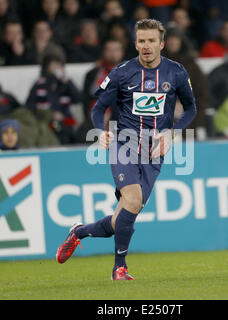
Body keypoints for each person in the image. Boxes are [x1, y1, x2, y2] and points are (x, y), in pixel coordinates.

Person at [56, 18, 197, 280]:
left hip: (155, 150)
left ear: (161, 43)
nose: (146, 45)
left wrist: (173, 132)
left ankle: (79, 232)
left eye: (151, 40)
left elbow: (191, 109)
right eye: (141, 40)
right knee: (131, 200)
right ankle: (119, 268)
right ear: (135, 43)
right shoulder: (122, 73)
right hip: (124, 144)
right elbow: (98, 108)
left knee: (124, 216)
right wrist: (101, 130)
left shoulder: (177, 72)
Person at [26, 54, 81, 145]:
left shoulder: (65, 84)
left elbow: (78, 99)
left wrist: (68, 83)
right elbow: (30, 106)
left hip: (65, 123)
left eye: (59, 65)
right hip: (45, 124)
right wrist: (50, 114)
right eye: (53, 65)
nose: (57, 68)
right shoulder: (39, 85)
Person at [78, 39, 124, 143]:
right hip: (97, 120)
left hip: (123, 121)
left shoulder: (132, 74)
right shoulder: (93, 74)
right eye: (109, 50)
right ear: (104, 52)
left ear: (122, 53)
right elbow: (86, 99)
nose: (113, 54)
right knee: (82, 134)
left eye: (116, 50)